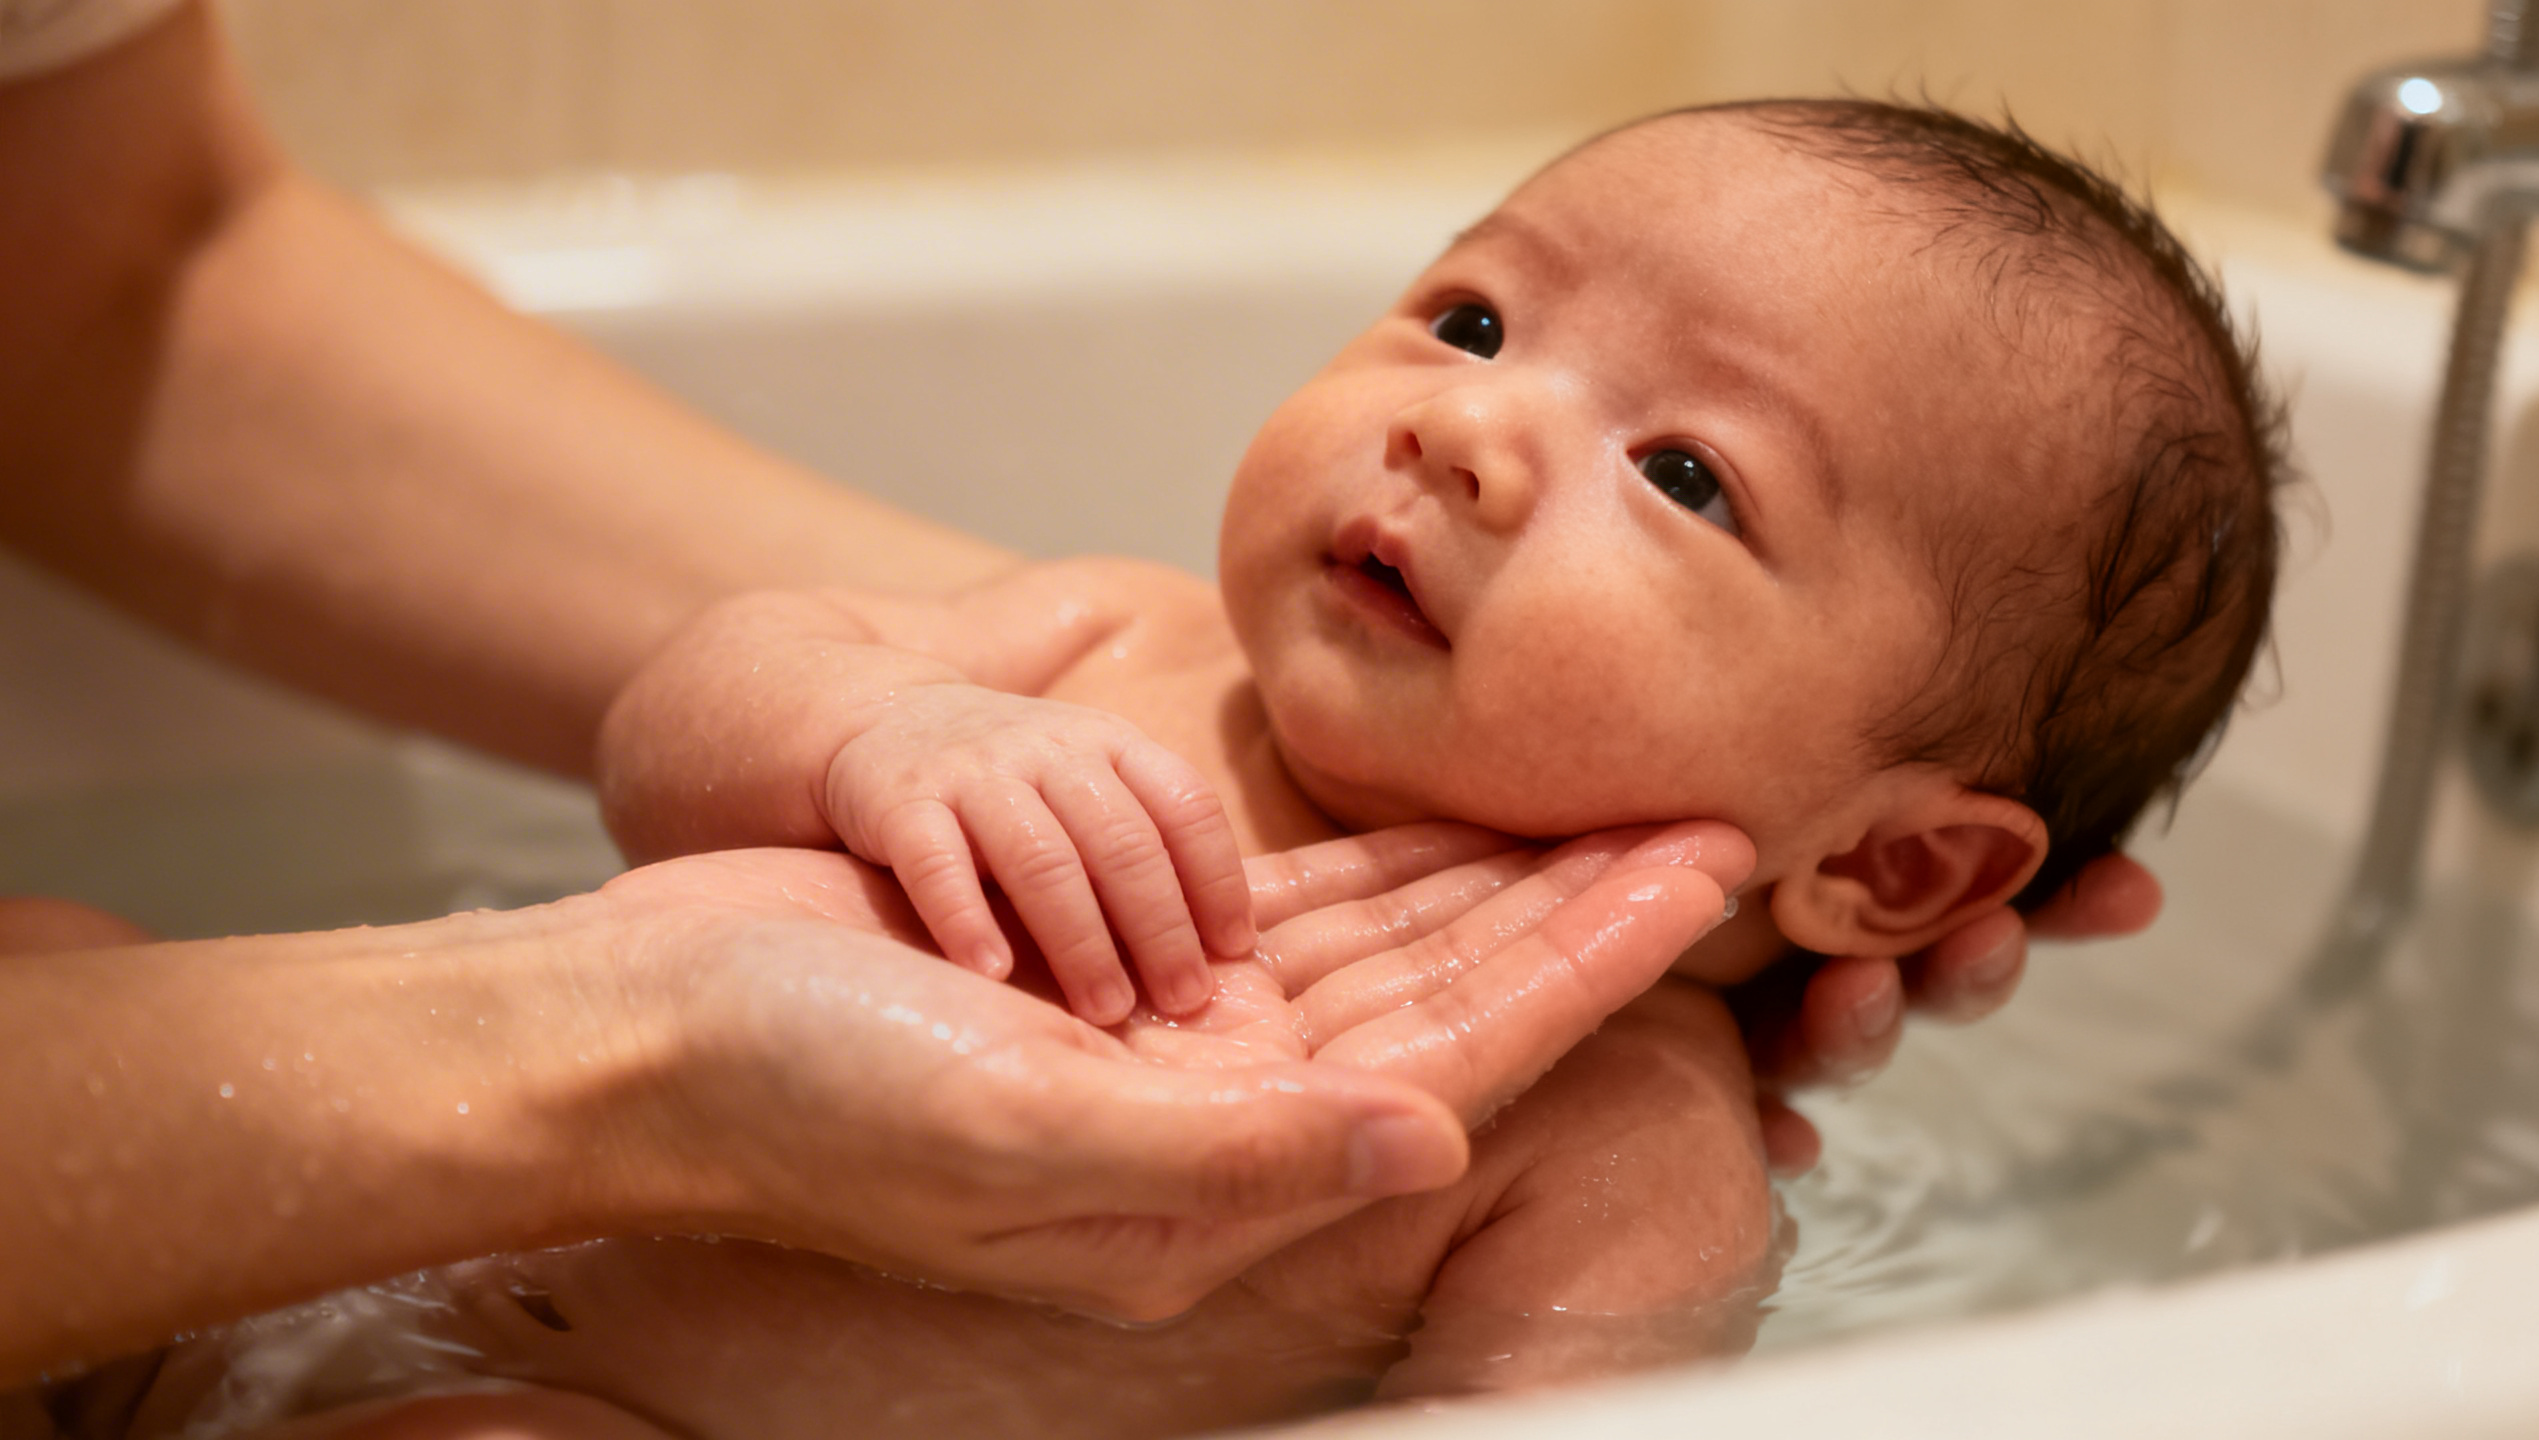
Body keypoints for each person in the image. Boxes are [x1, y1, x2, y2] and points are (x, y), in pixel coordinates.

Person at [0, 0, 2151, 1399]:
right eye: (1474, 316)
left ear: (1888, 863)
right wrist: (873, 731)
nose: (1465, 433)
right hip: (314, 1217)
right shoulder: (1103, 633)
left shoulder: (1620, 1136)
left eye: (1684, 474)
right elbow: (677, 734)